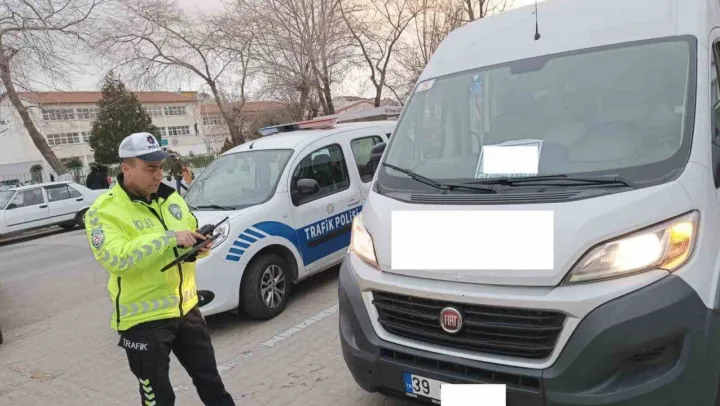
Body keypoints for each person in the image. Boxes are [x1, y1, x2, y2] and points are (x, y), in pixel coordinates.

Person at [84, 133, 235, 406]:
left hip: (186, 309)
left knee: (212, 384)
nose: (158, 175)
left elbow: (188, 234)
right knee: (159, 399)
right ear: (126, 168)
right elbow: (116, 259)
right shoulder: (103, 211)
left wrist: (199, 246)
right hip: (144, 322)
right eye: (150, 168)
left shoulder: (172, 198)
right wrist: (169, 238)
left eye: (161, 167)